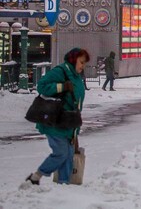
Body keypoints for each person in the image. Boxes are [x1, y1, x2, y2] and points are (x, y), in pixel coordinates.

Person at [26, 48, 91, 185]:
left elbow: (76, 102)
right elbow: (42, 86)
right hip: (55, 120)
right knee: (62, 152)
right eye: (81, 62)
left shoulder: (76, 76)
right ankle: (36, 176)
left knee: (68, 154)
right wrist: (61, 87)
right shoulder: (61, 71)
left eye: (84, 63)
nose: (83, 66)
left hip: (68, 122)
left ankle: (63, 184)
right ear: (73, 60)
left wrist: (75, 130)